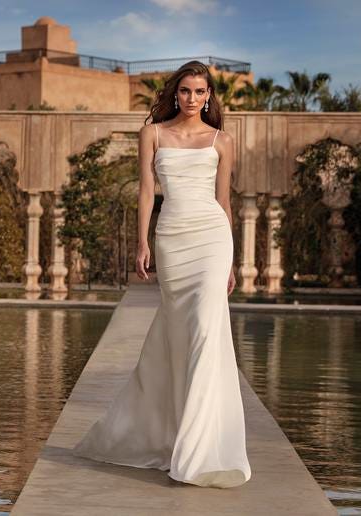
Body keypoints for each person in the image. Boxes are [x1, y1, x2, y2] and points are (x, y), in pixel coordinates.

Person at [71, 60, 251, 488]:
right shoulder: (152, 133)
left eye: (200, 92)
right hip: (172, 237)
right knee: (178, 336)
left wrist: (231, 259)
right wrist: (142, 242)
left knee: (208, 333)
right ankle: (166, 435)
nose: (192, 98)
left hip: (211, 238)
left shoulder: (222, 141)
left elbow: (224, 203)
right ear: (176, 93)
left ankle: (203, 451)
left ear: (210, 96)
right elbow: (147, 191)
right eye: (186, 91)